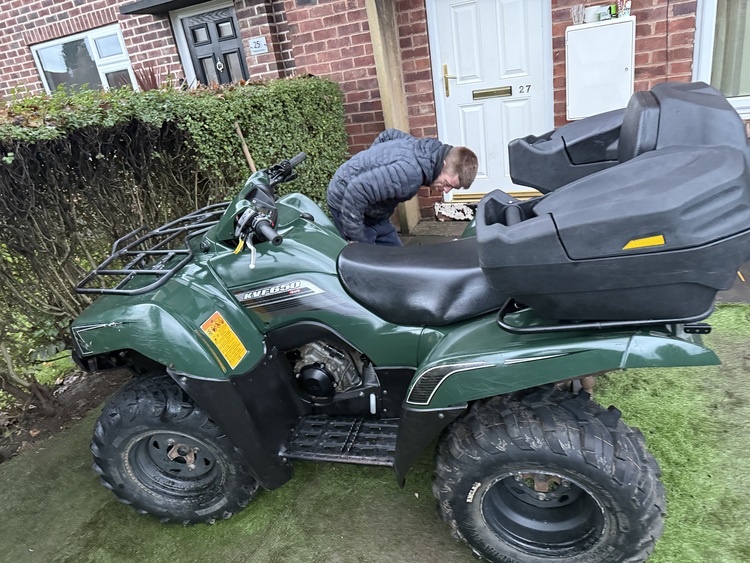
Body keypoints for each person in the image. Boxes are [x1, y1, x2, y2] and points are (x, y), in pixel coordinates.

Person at [326, 129, 478, 245]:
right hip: (346, 202)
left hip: (375, 211)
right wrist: (357, 242)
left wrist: (374, 164)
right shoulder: (410, 175)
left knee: (399, 259)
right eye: (447, 184)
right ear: (443, 165)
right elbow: (357, 191)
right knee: (368, 264)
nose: (446, 190)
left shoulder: (422, 149)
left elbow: (388, 134)